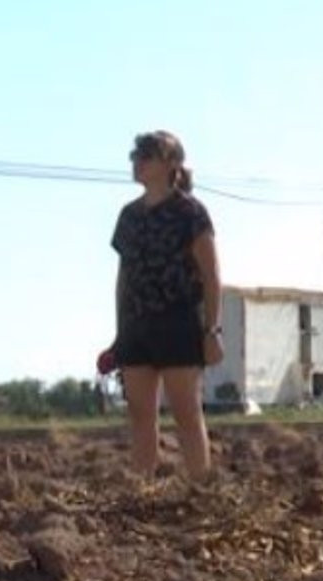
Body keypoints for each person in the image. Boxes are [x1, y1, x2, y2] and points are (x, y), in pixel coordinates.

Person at [109, 130, 222, 479]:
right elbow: (123, 278)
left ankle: (201, 488)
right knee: (142, 417)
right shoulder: (128, 216)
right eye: (135, 156)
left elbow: (211, 275)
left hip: (178, 321)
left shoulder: (190, 212)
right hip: (136, 326)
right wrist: (119, 334)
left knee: (187, 413)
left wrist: (211, 329)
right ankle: (143, 491)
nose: (137, 162)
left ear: (172, 164)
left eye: (146, 155)